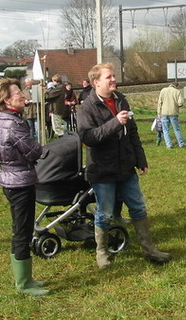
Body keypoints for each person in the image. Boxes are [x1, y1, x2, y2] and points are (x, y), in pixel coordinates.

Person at [77, 63, 171, 269]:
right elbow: (87, 137)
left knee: (138, 208)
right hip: (102, 171)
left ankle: (149, 249)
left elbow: (134, 133)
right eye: (108, 77)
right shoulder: (86, 108)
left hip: (126, 168)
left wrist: (140, 160)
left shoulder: (121, 100)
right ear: (96, 82)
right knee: (105, 213)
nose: (113, 80)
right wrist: (114, 123)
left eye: (113, 76)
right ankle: (102, 253)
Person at [0, 78, 50, 296]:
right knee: (22, 231)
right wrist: (41, 149)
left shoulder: (1, 120)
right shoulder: (14, 124)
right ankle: (23, 283)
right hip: (20, 182)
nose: (23, 95)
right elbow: (34, 151)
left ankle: (26, 278)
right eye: (18, 93)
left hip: (10, 178)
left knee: (21, 229)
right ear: (6, 99)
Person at [157, 82, 186, 149]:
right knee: (176, 129)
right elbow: (180, 103)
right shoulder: (177, 92)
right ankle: (181, 143)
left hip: (164, 112)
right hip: (173, 113)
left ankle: (169, 145)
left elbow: (159, 102)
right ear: (176, 86)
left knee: (165, 130)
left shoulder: (163, 90)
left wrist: (159, 112)